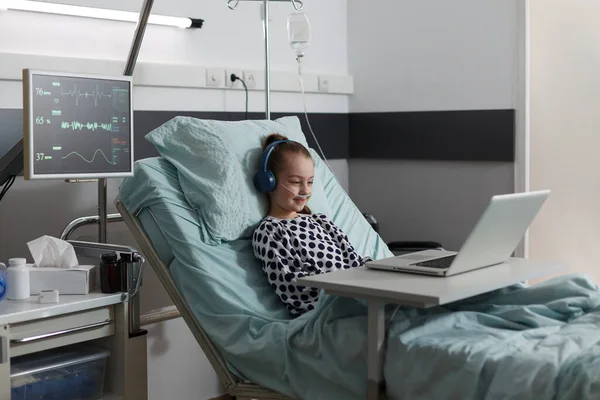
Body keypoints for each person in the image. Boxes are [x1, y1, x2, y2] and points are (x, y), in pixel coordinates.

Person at [252, 133, 372, 316]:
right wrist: (352, 300)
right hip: (333, 310)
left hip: (364, 295)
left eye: (310, 182)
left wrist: (382, 275)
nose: (306, 190)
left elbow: (354, 262)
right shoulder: (270, 232)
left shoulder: (321, 221)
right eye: (295, 182)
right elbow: (296, 294)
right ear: (268, 182)